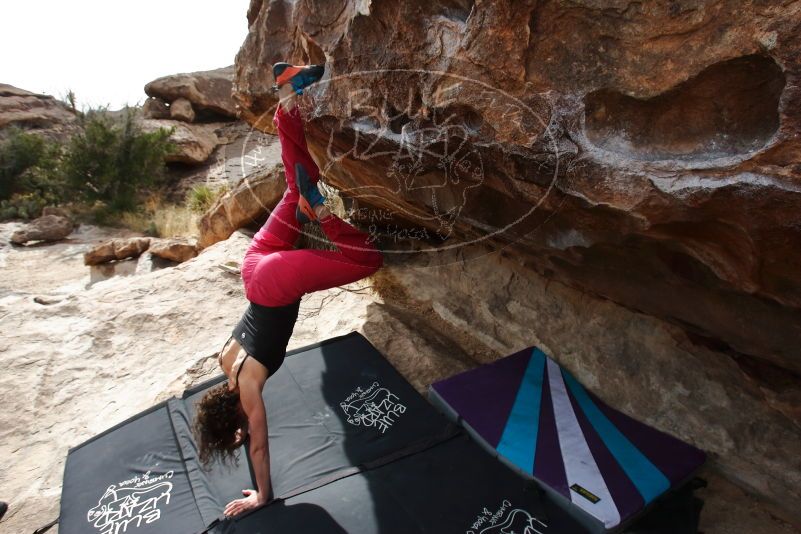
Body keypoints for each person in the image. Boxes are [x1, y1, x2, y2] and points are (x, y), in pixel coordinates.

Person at [192, 63, 383, 518]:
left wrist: (261, 496)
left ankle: (320, 213)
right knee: (300, 175)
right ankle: (286, 93)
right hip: (254, 266)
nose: (242, 439)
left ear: (234, 426)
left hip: (277, 281)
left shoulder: (250, 390)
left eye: (234, 436)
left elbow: (259, 449)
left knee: (366, 259)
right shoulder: (225, 361)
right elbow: (245, 439)